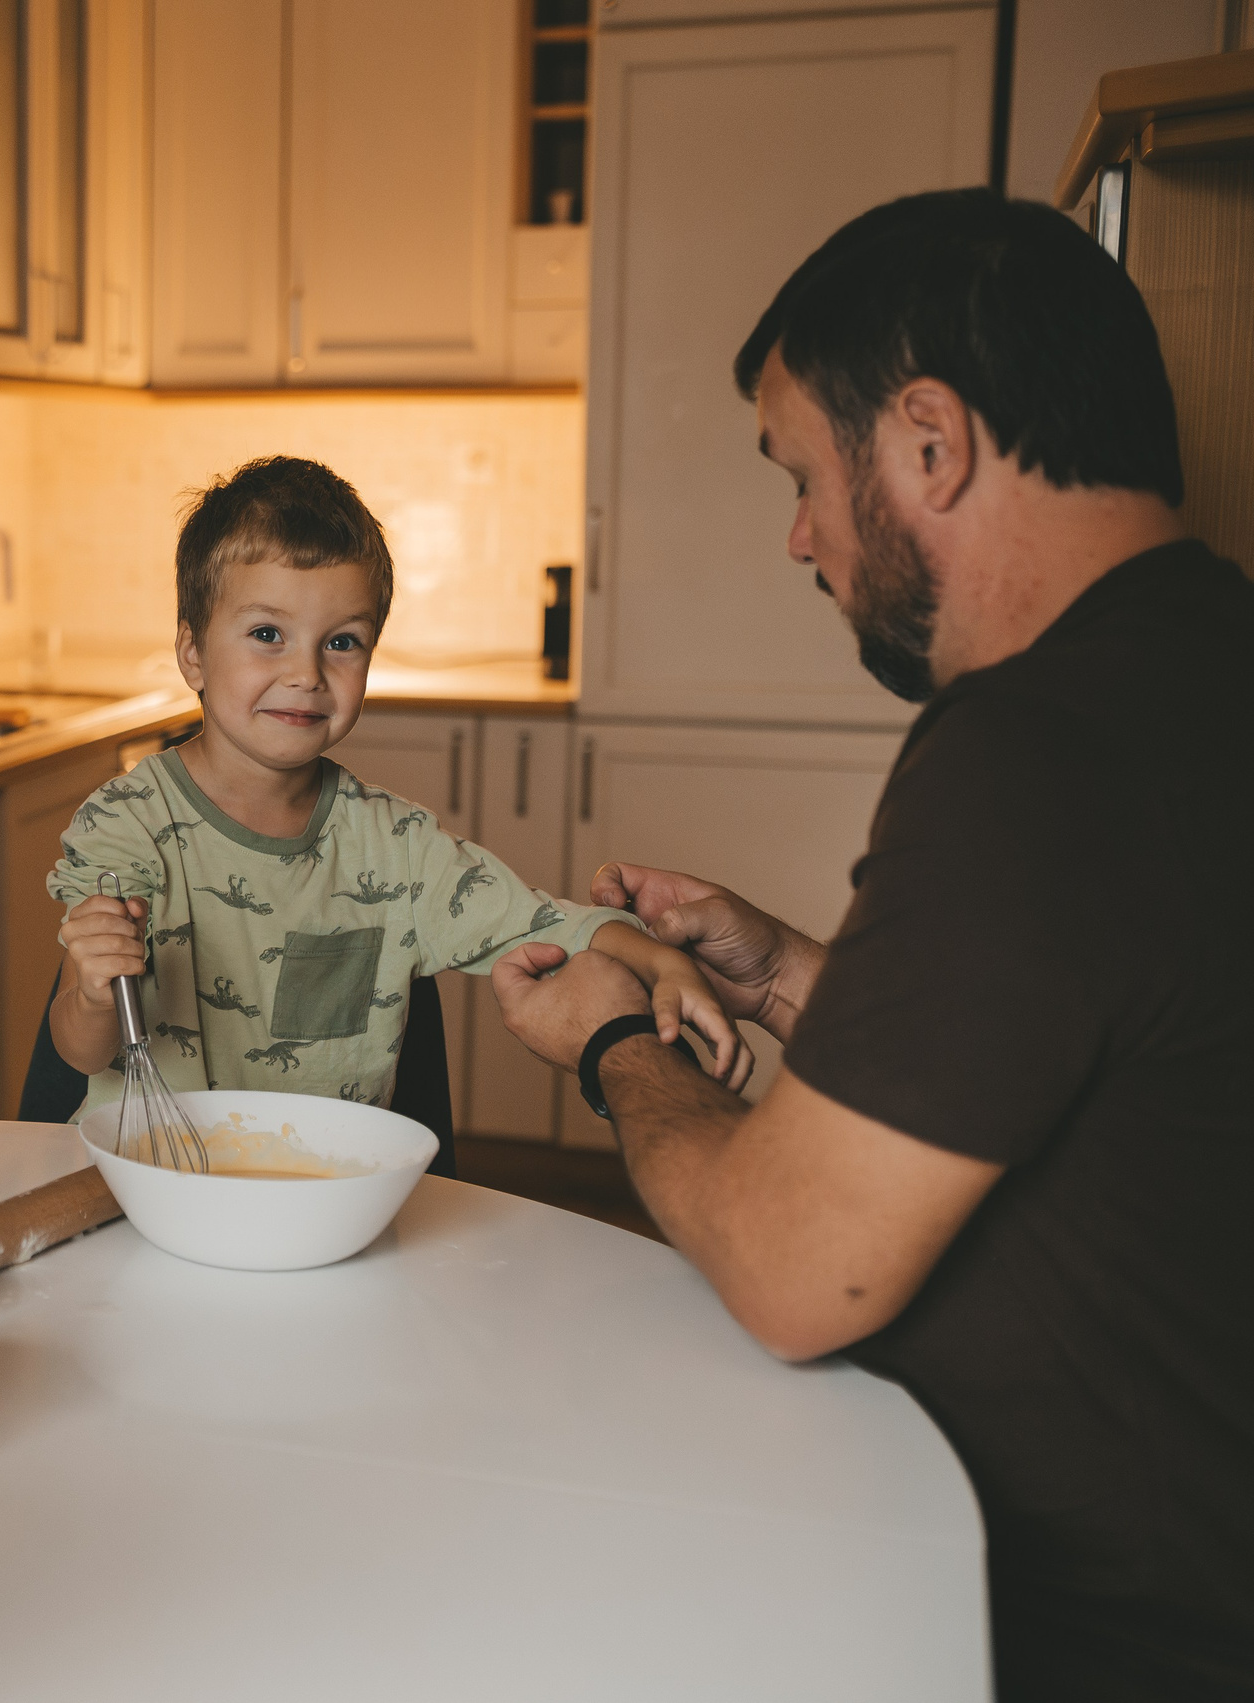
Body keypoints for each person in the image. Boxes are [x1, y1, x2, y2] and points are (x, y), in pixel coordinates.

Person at [489, 190, 1254, 1699]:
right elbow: (1078, 1065)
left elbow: (793, 1265)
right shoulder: (1200, 665)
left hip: (1089, 1632)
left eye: (801, 475)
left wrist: (612, 1043)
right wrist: (778, 970)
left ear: (926, 440)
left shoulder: (1032, 750)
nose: (800, 538)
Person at [48, 457, 747, 1122]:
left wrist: (659, 961)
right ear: (193, 653)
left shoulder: (398, 849)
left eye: (342, 642)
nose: (307, 672)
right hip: (145, 1188)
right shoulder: (124, 826)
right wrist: (90, 988)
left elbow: (541, 924)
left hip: (318, 1194)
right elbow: (85, 1048)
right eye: (268, 633)